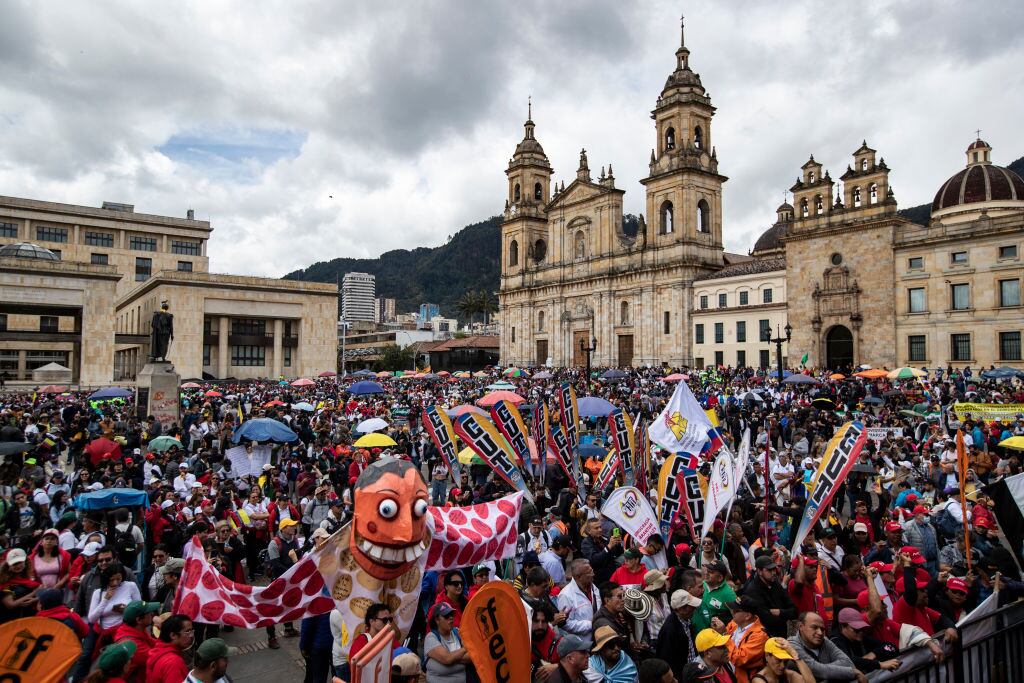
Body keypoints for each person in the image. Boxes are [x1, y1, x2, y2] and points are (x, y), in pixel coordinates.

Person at [787, 612, 866, 683]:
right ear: (801, 626)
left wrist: (824, 670)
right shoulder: (792, 645)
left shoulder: (824, 640)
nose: (820, 633)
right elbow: (816, 670)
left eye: (822, 629)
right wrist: (852, 672)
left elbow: (848, 663)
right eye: (814, 627)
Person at [829, 607, 901, 675]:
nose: (860, 632)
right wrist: (880, 664)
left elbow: (891, 647)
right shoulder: (835, 641)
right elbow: (848, 661)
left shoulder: (861, 637)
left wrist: (873, 654)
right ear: (843, 626)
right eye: (856, 629)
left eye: (862, 628)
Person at [740, 555, 797, 638]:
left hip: (781, 635)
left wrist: (780, 612)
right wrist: (785, 614)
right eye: (769, 570)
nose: (774, 572)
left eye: (774, 569)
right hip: (765, 638)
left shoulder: (775, 583)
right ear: (759, 571)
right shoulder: (752, 591)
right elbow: (767, 620)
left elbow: (794, 611)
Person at [656, 590, 700, 681]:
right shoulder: (669, 630)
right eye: (691, 606)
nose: (694, 609)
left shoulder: (686, 620)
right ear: (681, 609)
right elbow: (667, 660)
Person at [725, 596, 769, 683]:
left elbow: (739, 659)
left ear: (748, 616)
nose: (732, 612)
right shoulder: (735, 623)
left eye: (736, 611)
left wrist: (724, 636)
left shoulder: (760, 636)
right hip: (729, 676)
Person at [114, 600, 160, 683]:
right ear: (139, 620)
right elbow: (158, 658)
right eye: (149, 613)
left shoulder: (135, 630)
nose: (152, 614)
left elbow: (154, 643)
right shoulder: (133, 644)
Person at [424, 602, 470, 682]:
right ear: (437, 620)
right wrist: (465, 648)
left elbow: (471, 657)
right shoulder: (431, 637)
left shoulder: (457, 632)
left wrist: (452, 657)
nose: (451, 618)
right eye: (446, 616)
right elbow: (448, 659)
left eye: (452, 614)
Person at [558, 559, 601, 638]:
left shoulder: (593, 587)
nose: (593, 574)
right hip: (581, 644)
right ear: (579, 577)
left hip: (597, 637)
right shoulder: (566, 595)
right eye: (589, 573)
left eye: (592, 571)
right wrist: (591, 624)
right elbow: (566, 624)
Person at [147, 614, 193, 683]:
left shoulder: (158, 650)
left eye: (192, 631)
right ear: (173, 635)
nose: (191, 636)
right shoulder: (173, 663)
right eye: (188, 632)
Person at [694, 561, 736, 633]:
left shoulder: (728, 594)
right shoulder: (702, 585)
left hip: (716, 634)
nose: (706, 573)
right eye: (707, 570)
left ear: (720, 578)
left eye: (711, 572)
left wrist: (726, 631)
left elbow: (736, 617)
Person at [751, 638, 816, 683]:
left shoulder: (789, 675)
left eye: (786, 661)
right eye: (778, 660)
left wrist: (796, 656)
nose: (782, 666)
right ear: (767, 656)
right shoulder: (758, 680)